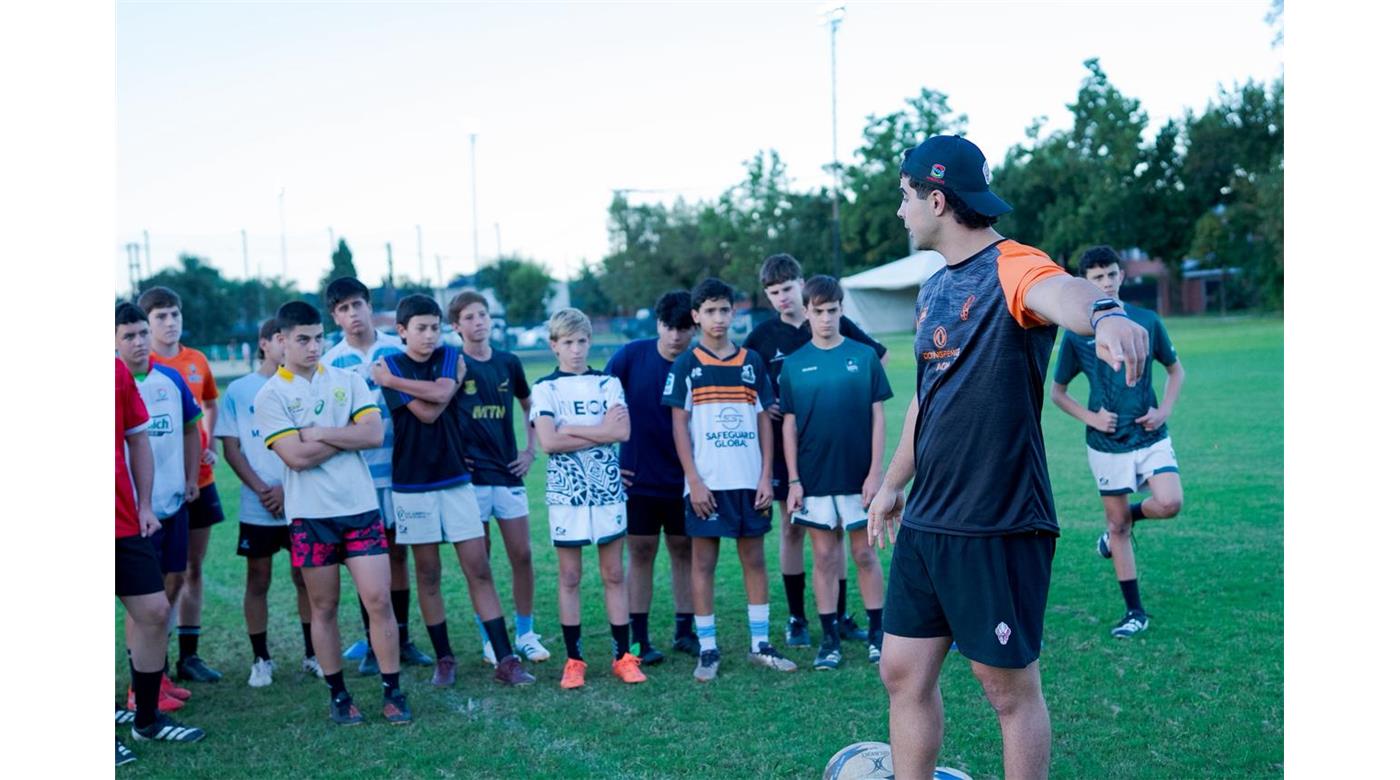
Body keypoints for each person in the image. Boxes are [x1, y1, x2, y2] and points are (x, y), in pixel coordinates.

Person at [867, 135, 1149, 779]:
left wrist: (1104, 315)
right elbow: (925, 400)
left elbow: (1064, 293)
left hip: (996, 521)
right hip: (929, 520)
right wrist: (891, 483)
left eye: (905, 197)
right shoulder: (932, 289)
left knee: (1008, 694)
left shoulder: (1015, 265)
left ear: (937, 199)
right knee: (901, 671)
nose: (900, 211)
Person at [253, 300, 411, 726]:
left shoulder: (347, 380)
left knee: (378, 600)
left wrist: (320, 434)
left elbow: (374, 433)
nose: (313, 346)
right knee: (324, 608)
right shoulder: (270, 396)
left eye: (319, 337)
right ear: (281, 342)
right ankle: (339, 695)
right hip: (309, 516)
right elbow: (295, 459)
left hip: (360, 508)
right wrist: (347, 437)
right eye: (303, 339)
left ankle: (393, 690)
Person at [370, 294, 536, 688]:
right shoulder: (389, 361)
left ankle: (506, 658)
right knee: (428, 574)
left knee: (478, 568)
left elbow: (440, 398)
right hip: (411, 484)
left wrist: (394, 385)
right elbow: (427, 412)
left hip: (456, 479)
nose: (429, 336)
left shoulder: (437, 359)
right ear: (402, 331)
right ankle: (444, 658)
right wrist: (416, 385)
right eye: (421, 329)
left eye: (434, 327)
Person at [744, 253, 888, 648]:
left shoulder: (832, 322)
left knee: (841, 533)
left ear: (802, 286)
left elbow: (877, 358)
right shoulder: (762, 336)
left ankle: (840, 615)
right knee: (795, 530)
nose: (781, 298)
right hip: (789, 450)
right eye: (773, 292)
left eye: (787, 289)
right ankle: (797, 617)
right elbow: (745, 378)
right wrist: (764, 399)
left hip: (842, 450)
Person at [663, 278, 797, 682]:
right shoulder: (688, 363)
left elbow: (763, 423)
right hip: (706, 484)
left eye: (724, 310)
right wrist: (695, 481)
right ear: (696, 316)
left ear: (732, 312)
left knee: (754, 559)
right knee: (703, 563)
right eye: (710, 311)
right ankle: (707, 648)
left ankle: (760, 644)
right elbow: (678, 427)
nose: (718, 319)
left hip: (747, 480)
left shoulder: (751, 361)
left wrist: (764, 478)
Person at [1050, 245, 1186, 639]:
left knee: (1171, 502)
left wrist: (1165, 411)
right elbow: (1058, 392)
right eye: (1097, 278)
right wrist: (1091, 417)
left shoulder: (1147, 320)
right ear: (1085, 284)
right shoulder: (1077, 333)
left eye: (1111, 274)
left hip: (1149, 433)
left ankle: (1122, 526)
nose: (1107, 282)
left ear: (1121, 276)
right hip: (1106, 443)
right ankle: (1134, 612)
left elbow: (1176, 372)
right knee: (1117, 523)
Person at [530, 308, 646, 688]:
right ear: (554, 346)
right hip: (567, 494)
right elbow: (548, 441)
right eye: (567, 343)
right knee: (570, 576)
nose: (576, 350)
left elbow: (623, 432)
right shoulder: (545, 388)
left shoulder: (607, 383)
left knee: (614, 574)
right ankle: (574, 660)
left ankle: (622, 657)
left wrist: (572, 429)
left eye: (582, 341)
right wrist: (600, 430)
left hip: (607, 490)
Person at [779, 276, 892, 669]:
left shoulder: (863, 357)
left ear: (841, 310)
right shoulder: (792, 365)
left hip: (859, 475)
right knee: (825, 558)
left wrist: (875, 473)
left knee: (863, 553)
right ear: (806, 312)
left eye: (833, 311)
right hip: (813, 478)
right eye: (820, 311)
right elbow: (788, 425)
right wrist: (793, 479)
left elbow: (878, 418)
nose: (827, 318)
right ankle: (829, 640)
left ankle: (878, 634)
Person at [321, 277, 432, 672]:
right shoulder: (331, 362)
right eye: (343, 309)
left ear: (369, 307)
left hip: (401, 470)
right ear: (335, 317)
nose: (353, 315)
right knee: (365, 559)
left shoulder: (396, 349)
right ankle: (373, 642)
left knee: (398, 556)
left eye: (357, 306)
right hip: (359, 478)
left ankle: (401, 638)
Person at [213, 318, 320, 687]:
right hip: (259, 503)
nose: (284, 345)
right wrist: (262, 489)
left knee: (305, 577)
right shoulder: (241, 391)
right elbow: (231, 448)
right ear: (265, 344)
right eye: (279, 339)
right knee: (257, 579)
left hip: (301, 498)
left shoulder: (305, 385)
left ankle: (312, 653)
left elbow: (312, 442)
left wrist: (287, 490)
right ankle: (261, 659)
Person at [445, 291, 549, 666]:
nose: (479, 322)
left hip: (508, 473)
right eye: (470, 317)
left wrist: (529, 450)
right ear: (456, 326)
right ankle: (491, 637)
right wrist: (457, 458)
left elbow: (530, 405)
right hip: (471, 481)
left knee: (522, 554)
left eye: (483, 315)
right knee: (481, 563)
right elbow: (440, 413)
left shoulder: (509, 362)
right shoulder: (452, 364)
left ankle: (526, 633)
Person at [116, 357, 205, 764]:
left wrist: (145, 504)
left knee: (153, 611)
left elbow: (137, 438)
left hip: (122, 518)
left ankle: (147, 721)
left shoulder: (115, 371)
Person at [604, 290, 700, 665]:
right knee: (640, 553)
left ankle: (684, 630)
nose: (675, 336)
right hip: (637, 478)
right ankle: (640, 638)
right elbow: (602, 405)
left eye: (683, 328)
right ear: (657, 324)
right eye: (668, 327)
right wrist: (612, 462)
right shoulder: (630, 356)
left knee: (684, 551)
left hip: (686, 480)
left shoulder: (698, 362)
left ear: (693, 326)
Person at [139, 286, 225, 683]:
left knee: (192, 568)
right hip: (153, 491)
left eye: (175, 314)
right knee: (154, 581)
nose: (170, 323)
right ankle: (152, 663)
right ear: (145, 324)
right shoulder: (140, 364)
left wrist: (209, 442)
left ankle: (188, 657)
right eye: (161, 317)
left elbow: (208, 404)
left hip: (199, 481)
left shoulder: (197, 360)